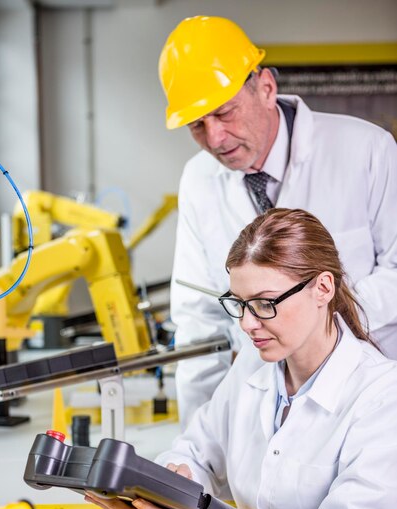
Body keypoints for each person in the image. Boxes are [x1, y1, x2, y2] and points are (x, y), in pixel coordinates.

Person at [85, 209, 397, 509]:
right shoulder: (254, 367)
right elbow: (196, 450)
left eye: (265, 304)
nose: (248, 324)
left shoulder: (381, 396)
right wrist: (170, 487)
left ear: (323, 288)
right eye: (240, 304)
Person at [158, 15, 397, 427]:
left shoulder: (366, 150)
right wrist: (196, 447)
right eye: (197, 125)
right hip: (261, 405)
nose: (214, 138)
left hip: (366, 399)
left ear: (266, 88)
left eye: (225, 113)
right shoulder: (199, 179)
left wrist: (313, 323)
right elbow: (198, 319)